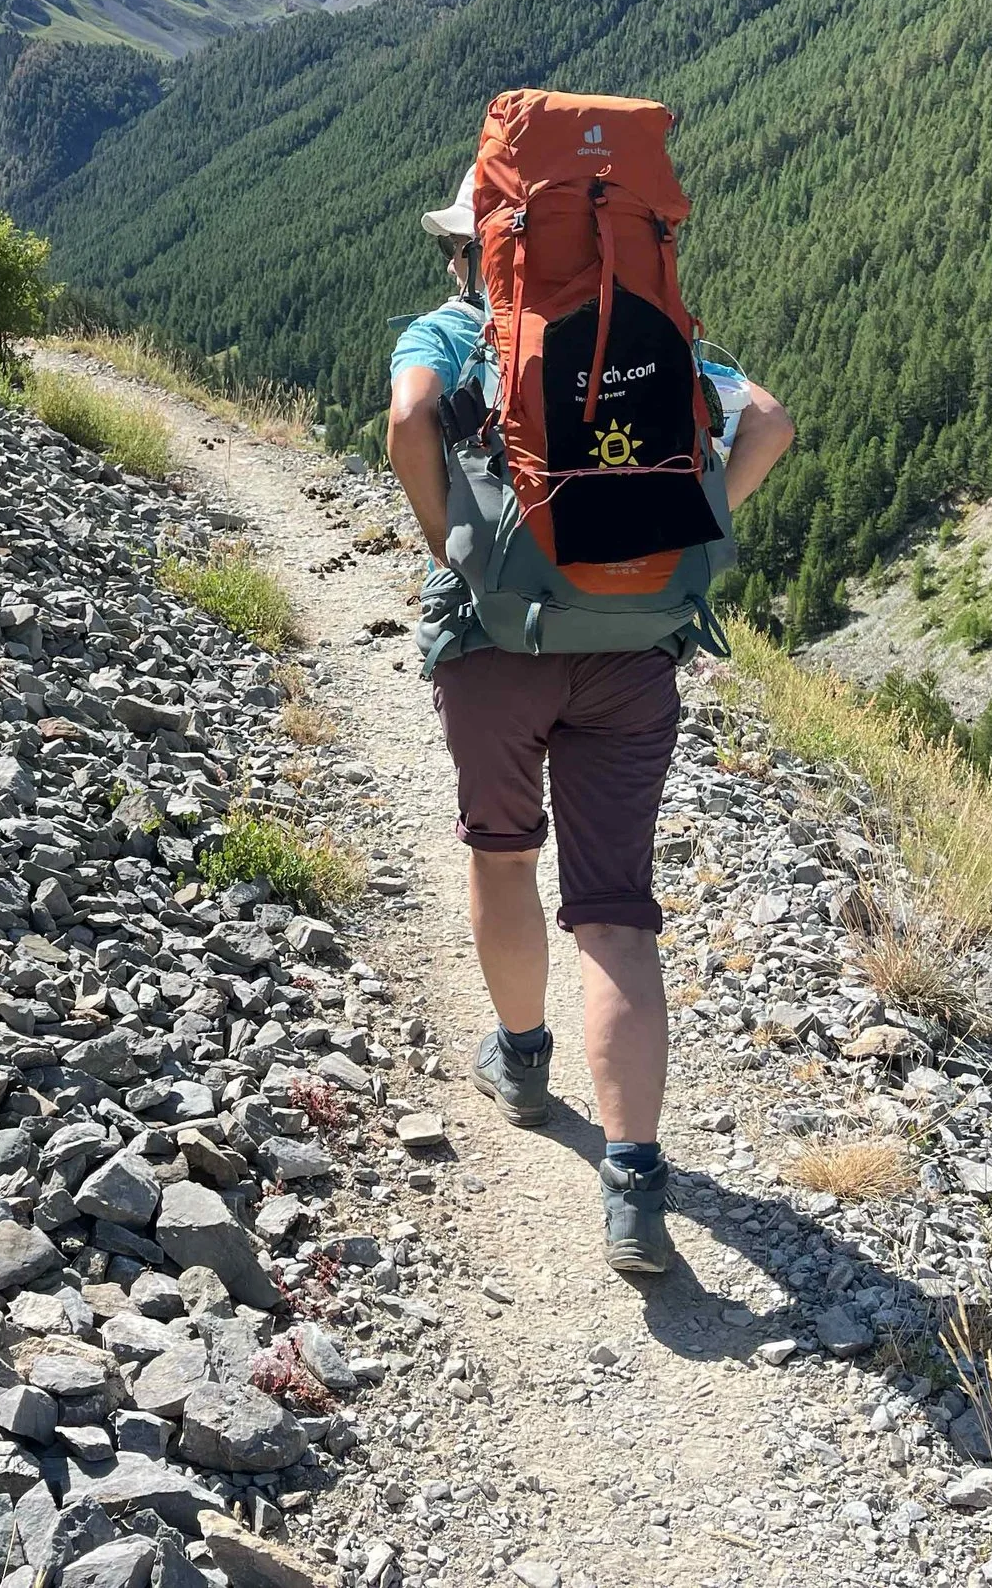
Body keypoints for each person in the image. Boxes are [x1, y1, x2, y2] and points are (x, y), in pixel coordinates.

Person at [386, 164, 795, 1274]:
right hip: (631, 651)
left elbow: (413, 419)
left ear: (481, 248)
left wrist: (448, 545)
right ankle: (633, 1183)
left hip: (493, 642)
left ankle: (521, 1061)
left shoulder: (449, 332)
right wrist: (692, 525)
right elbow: (765, 420)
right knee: (615, 910)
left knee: (503, 855)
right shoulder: (648, 327)